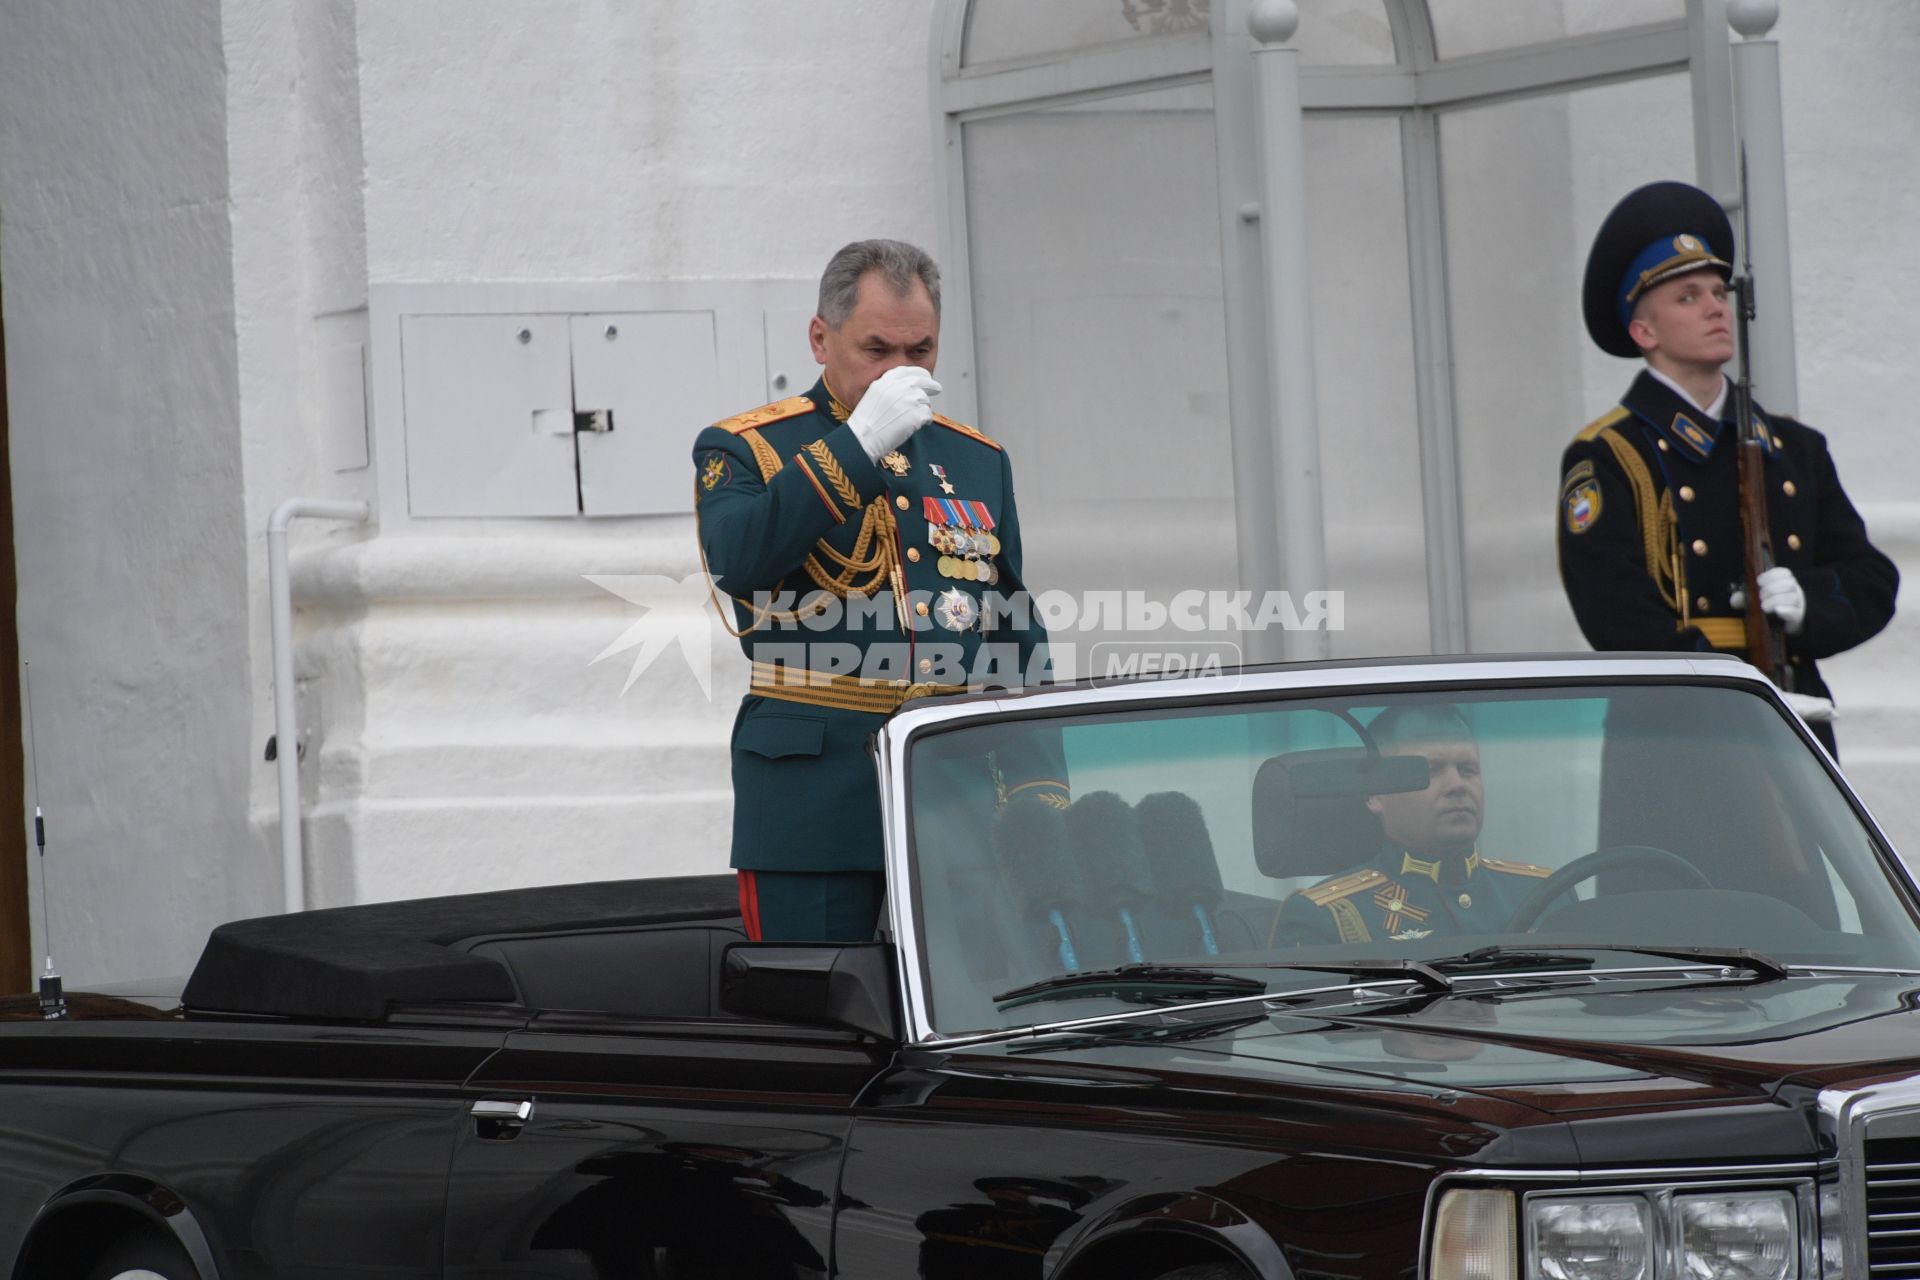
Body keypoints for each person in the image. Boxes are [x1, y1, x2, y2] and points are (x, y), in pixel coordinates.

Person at [692, 239, 1066, 943]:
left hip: (952, 796)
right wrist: (857, 446)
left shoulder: (975, 458)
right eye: (876, 349)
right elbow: (740, 559)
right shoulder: (745, 448)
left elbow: (1014, 627)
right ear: (819, 338)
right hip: (811, 793)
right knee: (816, 1014)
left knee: (974, 1003)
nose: (900, 371)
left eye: (920, 350)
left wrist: (1038, 790)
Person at [1559, 181, 1898, 755]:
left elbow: (1871, 579)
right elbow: (1615, 613)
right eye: (1688, 297)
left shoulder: (1793, 448)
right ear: (1644, 332)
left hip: (1795, 716)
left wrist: (1807, 599)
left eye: (1718, 291)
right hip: (1677, 732)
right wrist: (1737, 693)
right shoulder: (1610, 455)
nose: (1716, 306)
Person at [1273, 705, 1553, 945]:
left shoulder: (1543, 893)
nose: (1457, 785)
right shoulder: (1327, 915)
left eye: (1468, 770)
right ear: (1376, 793)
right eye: (1429, 772)